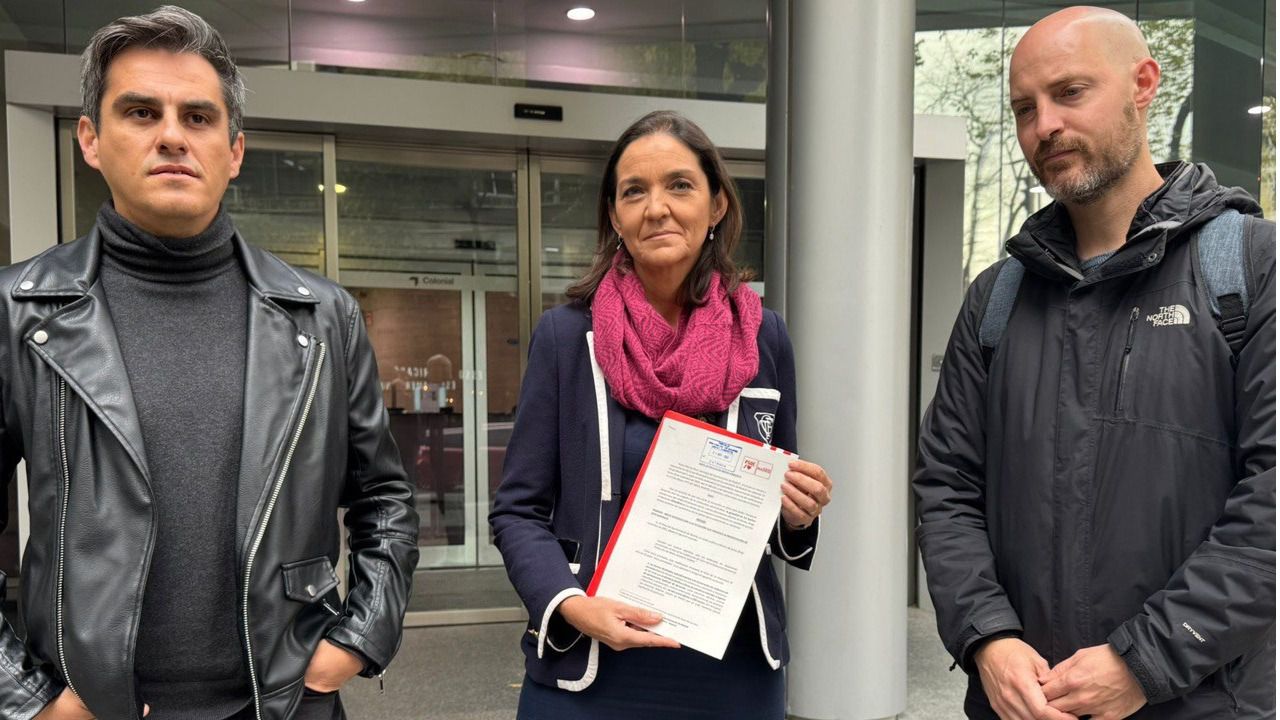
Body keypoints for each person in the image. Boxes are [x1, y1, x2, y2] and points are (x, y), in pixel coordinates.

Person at [0, 7, 419, 720]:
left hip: (284, 702)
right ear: (90, 139)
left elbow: (386, 499)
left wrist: (355, 639)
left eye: (198, 117)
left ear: (234, 150)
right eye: (141, 112)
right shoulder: (20, 313)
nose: (172, 135)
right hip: (90, 709)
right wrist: (32, 698)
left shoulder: (322, 317)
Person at [914, 6, 1274, 720]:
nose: (1044, 125)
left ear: (1143, 84)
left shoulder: (1251, 269)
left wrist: (1145, 661)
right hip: (1019, 703)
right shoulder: (997, 297)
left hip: (1198, 701)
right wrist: (988, 638)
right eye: (1024, 108)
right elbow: (947, 487)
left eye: (1070, 92)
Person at [489, 110, 832, 719]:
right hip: (590, 667)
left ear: (716, 205)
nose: (657, 208)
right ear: (615, 216)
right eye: (634, 192)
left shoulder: (763, 337)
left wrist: (798, 511)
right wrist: (570, 604)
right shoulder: (567, 338)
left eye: (679, 185)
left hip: (732, 675)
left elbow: (776, 508)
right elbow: (518, 510)